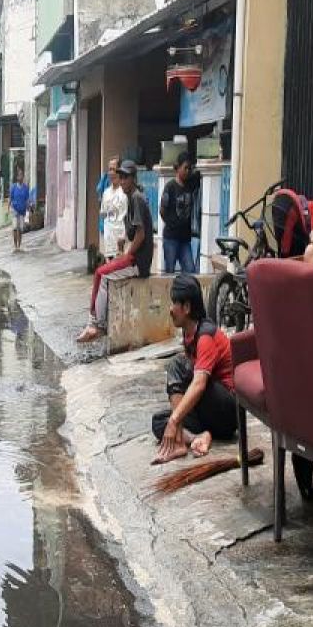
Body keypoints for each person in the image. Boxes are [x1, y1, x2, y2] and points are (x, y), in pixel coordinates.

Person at [151, 274, 239, 463]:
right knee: (158, 423)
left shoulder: (206, 336)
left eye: (174, 303)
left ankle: (180, 440)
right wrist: (173, 421)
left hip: (226, 411)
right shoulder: (188, 332)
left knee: (177, 366)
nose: (170, 309)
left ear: (187, 307)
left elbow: (199, 384)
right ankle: (195, 437)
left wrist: (175, 421)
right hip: (207, 412)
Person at [77, 160, 154, 344]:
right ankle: (95, 323)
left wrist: (128, 254)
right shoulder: (132, 197)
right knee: (102, 273)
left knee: (101, 274)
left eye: (126, 177)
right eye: (121, 177)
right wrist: (124, 241)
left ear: (133, 179)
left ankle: (96, 325)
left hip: (138, 261)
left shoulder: (136, 197)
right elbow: (134, 232)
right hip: (136, 257)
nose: (122, 180)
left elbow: (141, 234)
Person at [159, 151, 200, 273]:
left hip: (185, 239)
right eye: (185, 168)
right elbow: (162, 210)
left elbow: (198, 175)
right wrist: (172, 224)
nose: (188, 171)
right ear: (178, 168)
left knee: (190, 270)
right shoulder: (170, 187)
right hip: (171, 238)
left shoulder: (190, 185)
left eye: (189, 168)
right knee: (170, 272)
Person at [99, 157, 128, 264]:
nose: (111, 173)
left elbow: (126, 215)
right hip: (109, 240)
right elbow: (102, 213)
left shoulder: (124, 192)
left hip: (121, 239)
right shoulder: (106, 193)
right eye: (109, 169)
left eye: (114, 169)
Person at [9, 168, 31, 252]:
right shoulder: (13, 187)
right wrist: (8, 209)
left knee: (21, 229)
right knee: (15, 227)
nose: (20, 177)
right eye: (19, 175)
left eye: (22, 175)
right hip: (14, 209)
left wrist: (29, 208)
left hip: (22, 210)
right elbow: (10, 198)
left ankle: (19, 245)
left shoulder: (25, 188)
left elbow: (27, 199)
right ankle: (15, 246)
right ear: (17, 177)